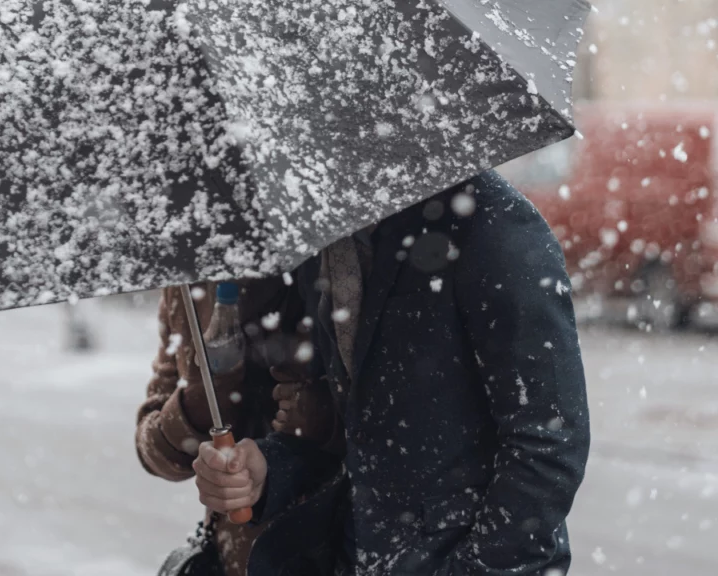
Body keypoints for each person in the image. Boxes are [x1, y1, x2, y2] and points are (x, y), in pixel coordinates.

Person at [192, 172, 592, 575]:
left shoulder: (493, 221)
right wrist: (268, 471)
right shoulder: (324, 235)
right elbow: (348, 428)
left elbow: (548, 442)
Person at [136, 279, 338, 576]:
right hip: (235, 552)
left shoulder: (330, 258)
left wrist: (324, 418)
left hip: (336, 541)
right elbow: (155, 453)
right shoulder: (187, 282)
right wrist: (199, 403)